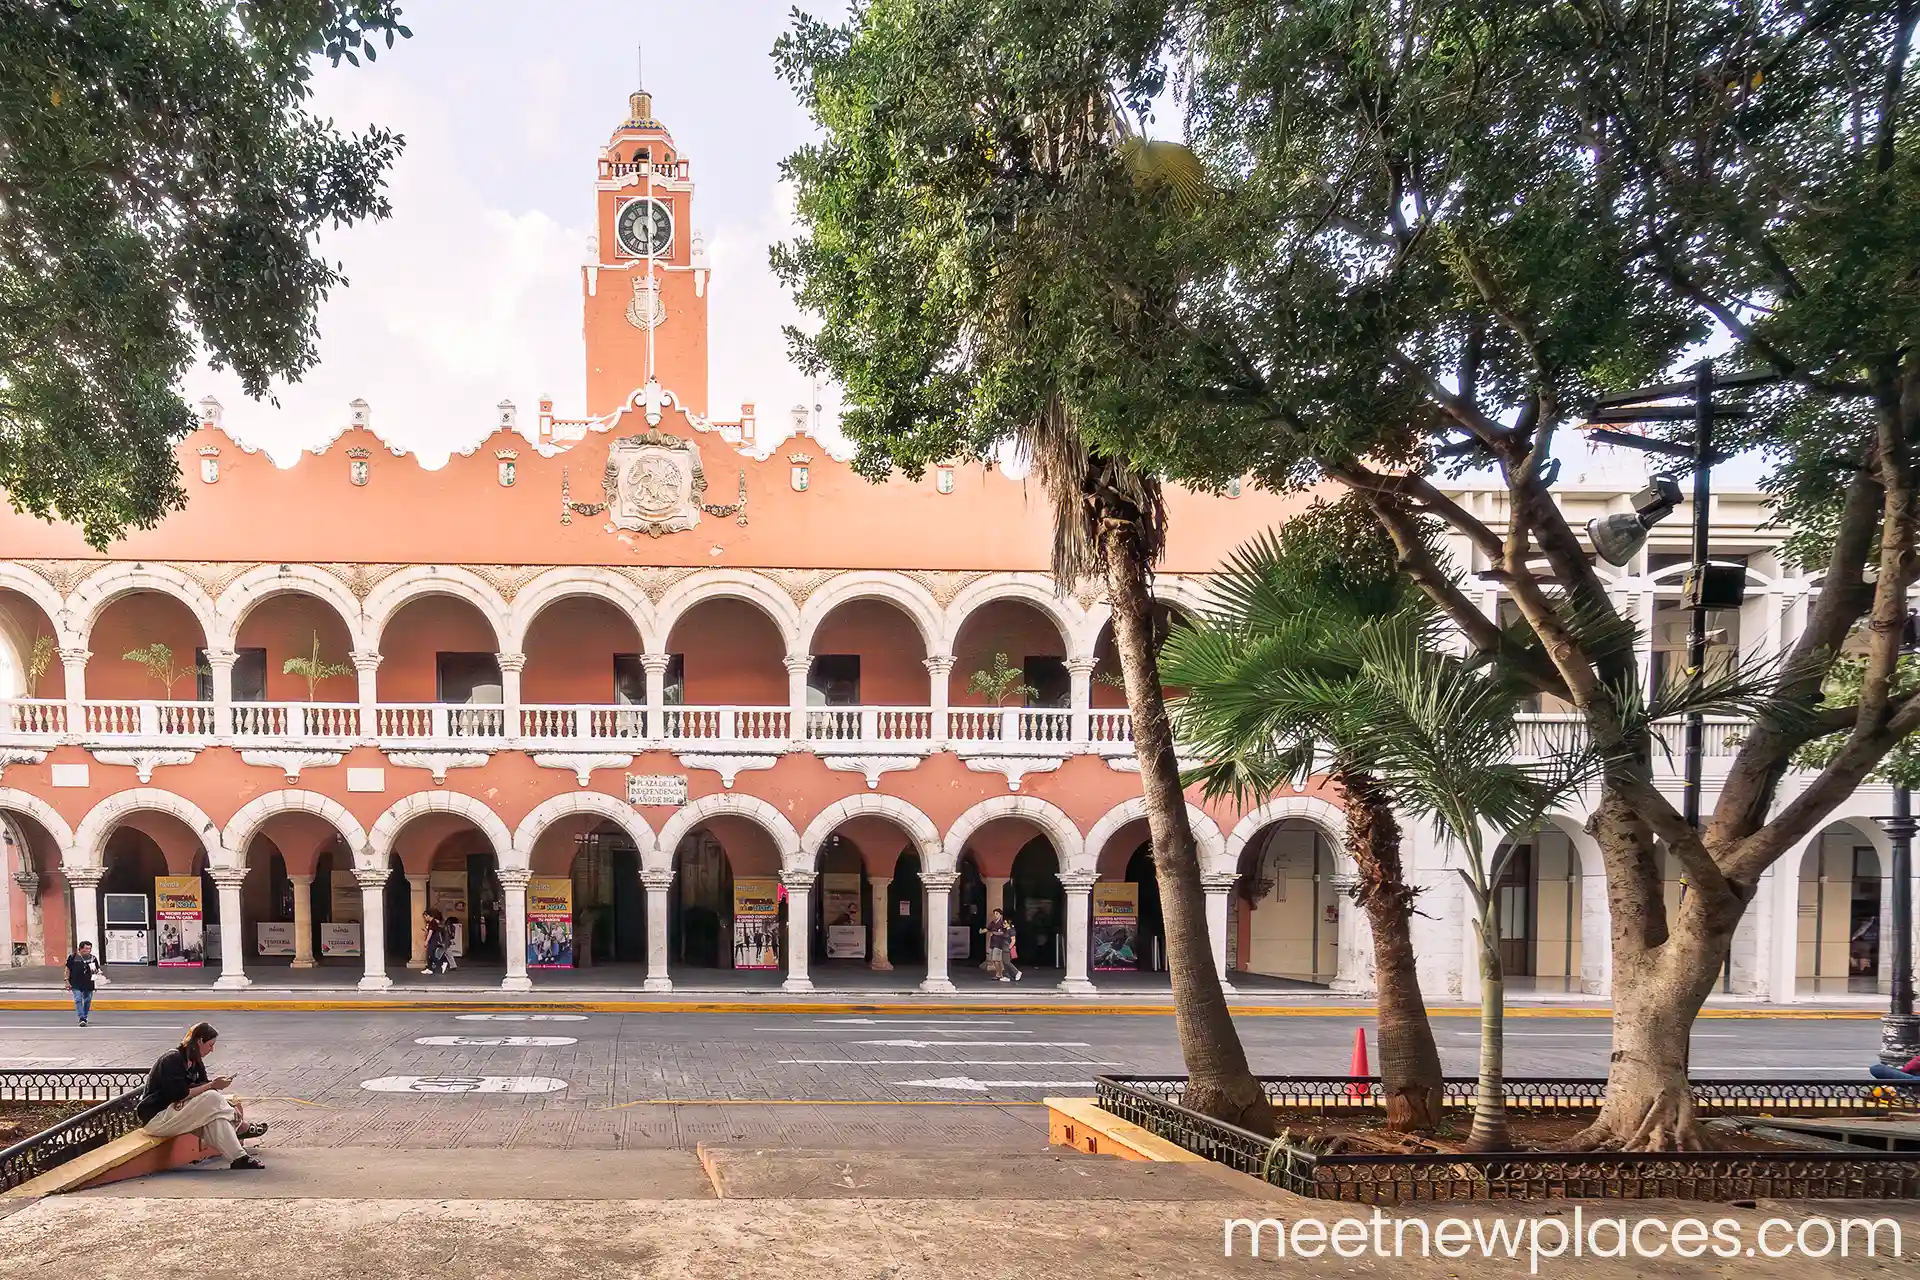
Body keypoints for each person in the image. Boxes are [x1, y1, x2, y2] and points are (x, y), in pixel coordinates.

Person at [137, 1022, 268, 1170]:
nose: (212, 1050)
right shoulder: (172, 1059)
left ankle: (239, 1158)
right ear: (200, 1041)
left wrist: (215, 1085)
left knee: (216, 1119)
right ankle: (241, 1126)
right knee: (211, 1097)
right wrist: (212, 1086)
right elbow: (181, 1094)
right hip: (157, 1119)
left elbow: (204, 1088)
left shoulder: (195, 1062)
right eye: (210, 1045)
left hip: (177, 1114)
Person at [65, 940, 98, 1026]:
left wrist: (96, 982)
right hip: (75, 982)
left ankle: (85, 1015)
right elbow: (67, 969)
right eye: (86, 948)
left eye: (90, 949)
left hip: (88, 982)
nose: (88, 950)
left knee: (87, 1000)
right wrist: (67, 981)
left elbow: (95, 971)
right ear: (80, 949)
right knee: (78, 999)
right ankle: (82, 1017)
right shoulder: (73, 957)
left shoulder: (92, 958)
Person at [986, 908, 1022, 983]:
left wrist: (1009, 948)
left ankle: (1016, 972)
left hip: (1007, 947)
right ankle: (1007, 976)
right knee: (1004, 962)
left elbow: (1013, 940)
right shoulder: (1005, 930)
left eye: (1005, 923)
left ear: (1009, 924)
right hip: (1003, 947)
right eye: (1004, 923)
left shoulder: (1011, 931)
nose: (1004, 924)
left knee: (1007, 962)